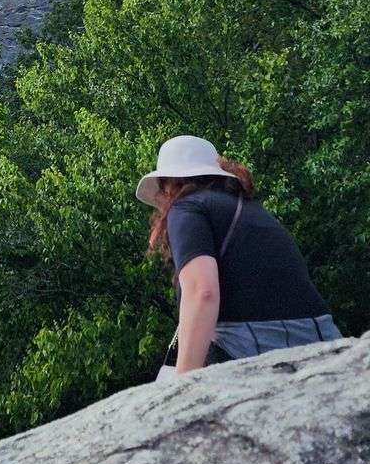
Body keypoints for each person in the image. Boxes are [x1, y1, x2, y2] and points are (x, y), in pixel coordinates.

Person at [138, 135, 342, 374]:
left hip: (256, 344)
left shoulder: (187, 208)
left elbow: (202, 293)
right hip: (323, 337)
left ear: (169, 184)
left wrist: (182, 385)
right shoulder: (252, 210)